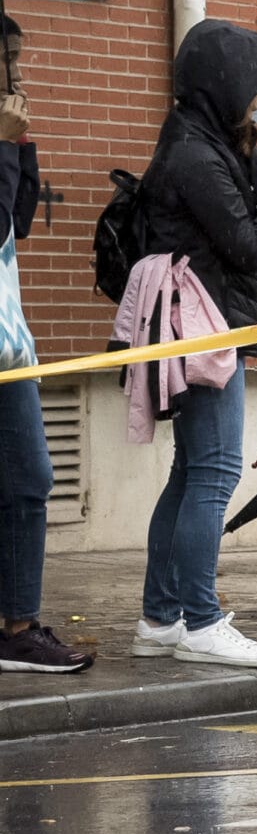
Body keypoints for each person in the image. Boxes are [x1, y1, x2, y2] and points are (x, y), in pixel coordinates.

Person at [130, 22, 257, 669]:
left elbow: (233, 209)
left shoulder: (199, 141)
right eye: (253, 84)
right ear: (222, 83)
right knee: (216, 471)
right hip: (203, 332)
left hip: (201, 325)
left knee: (192, 470)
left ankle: (160, 618)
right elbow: (249, 245)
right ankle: (200, 621)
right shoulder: (194, 155)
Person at [0, 87, 83, 673]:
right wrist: (5, 145)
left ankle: (18, 628)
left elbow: (17, 220)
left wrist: (20, 147)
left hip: (11, 351)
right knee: (27, 477)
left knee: (28, 480)